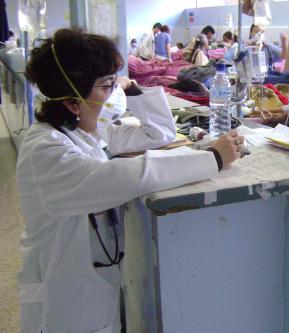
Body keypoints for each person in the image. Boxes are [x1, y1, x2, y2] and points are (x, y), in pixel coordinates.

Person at [16, 28, 243, 333]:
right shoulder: (45, 151)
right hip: (64, 306)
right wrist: (212, 159)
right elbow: (129, 175)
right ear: (72, 101)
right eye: (106, 86)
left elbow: (159, 134)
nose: (113, 94)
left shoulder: (84, 132)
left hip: (96, 292)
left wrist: (133, 90)